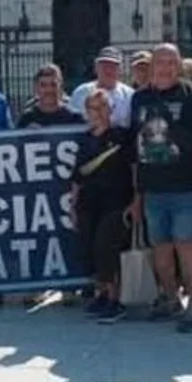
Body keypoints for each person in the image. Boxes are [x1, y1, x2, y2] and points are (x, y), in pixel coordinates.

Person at [128, 43, 192, 333]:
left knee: (187, 245)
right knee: (161, 249)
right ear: (152, 65)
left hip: (187, 189)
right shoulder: (139, 99)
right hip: (153, 189)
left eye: (171, 62)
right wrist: (137, 194)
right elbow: (136, 147)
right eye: (160, 62)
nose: (165, 68)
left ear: (178, 66)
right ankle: (170, 297)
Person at [71, 88, 135, 324]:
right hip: (89, 203)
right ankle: (102, 294)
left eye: (102, 107)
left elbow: (135, 169)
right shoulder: (85, 139)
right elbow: (77, 175)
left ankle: (116, 299)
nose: (97, 112)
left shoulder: (122, 136)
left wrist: (137, 200)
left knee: (107, 248)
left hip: (116, 201)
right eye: (93, 108)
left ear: (111, 109)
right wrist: (73, 206)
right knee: (91, 249)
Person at [69, 47, 135, 128]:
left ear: (120, 70)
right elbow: (71, 125)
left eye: (113, 66)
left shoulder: (130, 95)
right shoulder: (80, 93)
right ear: (96, 68)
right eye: (104, 65)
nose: (108, 70)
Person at [18, 64, 85, 127]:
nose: (49, 90)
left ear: (61, 87)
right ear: (36, 88)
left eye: (53, 84)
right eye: (43, 85)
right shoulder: (26, 119)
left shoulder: (75, 118)